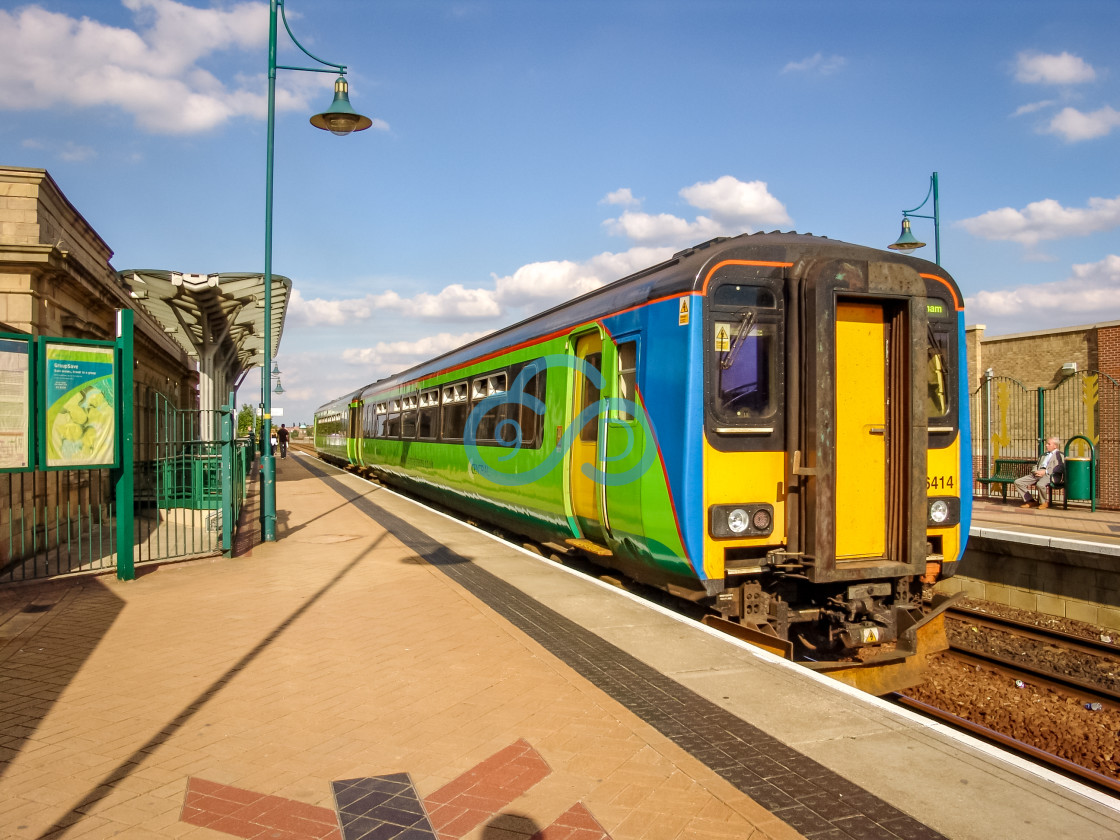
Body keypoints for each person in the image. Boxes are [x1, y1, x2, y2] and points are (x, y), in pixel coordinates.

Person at [1014, 437, 1064, 509]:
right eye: (1046, 443)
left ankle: (1043, 502)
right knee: (1018, 482)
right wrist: (1035, 471)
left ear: (1055, 446)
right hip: (1038, 473)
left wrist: (1045, 472)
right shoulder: (1044, 455)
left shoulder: (1060, 455)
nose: (1046, 445)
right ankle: (1030, 501)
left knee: (1040, 484)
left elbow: (1060, 468)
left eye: (1049, 444)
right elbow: (1036, 465)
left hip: (1050, 475)